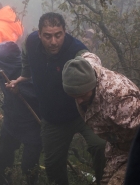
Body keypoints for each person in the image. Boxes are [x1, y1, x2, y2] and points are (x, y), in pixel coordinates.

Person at [7, 12, 106, 185]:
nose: (53, 42)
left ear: (64, 32)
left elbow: (93, 67)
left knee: (101, 147)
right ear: (39, 34)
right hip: (53, 119)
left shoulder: (76, 50)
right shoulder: (31, 42)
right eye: (47, 36)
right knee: (53, 166)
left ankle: (104, 181)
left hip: (84, 113)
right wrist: (24, 76)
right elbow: (25, 56)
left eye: (58, 35)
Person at [62, 53, 140, 185]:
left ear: (92, 85)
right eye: (74, 95)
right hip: (116, 149)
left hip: (134, 149)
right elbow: (90, 56)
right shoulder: (86, 68)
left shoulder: (120, 100)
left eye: (83, 95)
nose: (79, 101)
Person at [0, 42, 42, 185]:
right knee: (4, 154)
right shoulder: (3, 67)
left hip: (32, 124)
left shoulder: (28, 72)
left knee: (29, 164)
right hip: (11, 119)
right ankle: (2, 181)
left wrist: (20, 91)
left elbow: (38, 96)